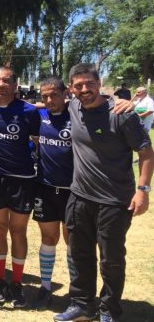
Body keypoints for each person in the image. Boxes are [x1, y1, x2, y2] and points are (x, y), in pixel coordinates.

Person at [54, 64, 154, 322]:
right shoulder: (74, 107)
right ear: (71, 89)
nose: (84, 89)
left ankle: (109, 309)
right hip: (79, 198)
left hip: (114, 201)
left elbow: (145, 152)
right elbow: (45, 105)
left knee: (111, 259)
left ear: (99, 84)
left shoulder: (121, 114)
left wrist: (143, 190)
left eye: (89, 84)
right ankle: (81, 305)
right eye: (78, 85)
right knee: (79, 254)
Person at [0, 66, 40, 308]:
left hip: (22, 180)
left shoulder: (29, 111)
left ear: (16, 85)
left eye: (6, 81)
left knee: (18, 232)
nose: (0, 85)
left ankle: (16, 283)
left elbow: (38, 144)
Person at [32, 77, 75, 310]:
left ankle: (76, 292)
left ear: (65, 93)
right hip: (45, 188)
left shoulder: (77, 114)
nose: (49, 100)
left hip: (73, 191)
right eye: (44, 96)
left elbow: (104, 105)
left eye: (54, 95)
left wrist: (124, 103)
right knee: (48, 239)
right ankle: (45, 287)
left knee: (73, 242)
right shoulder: (38, 115)